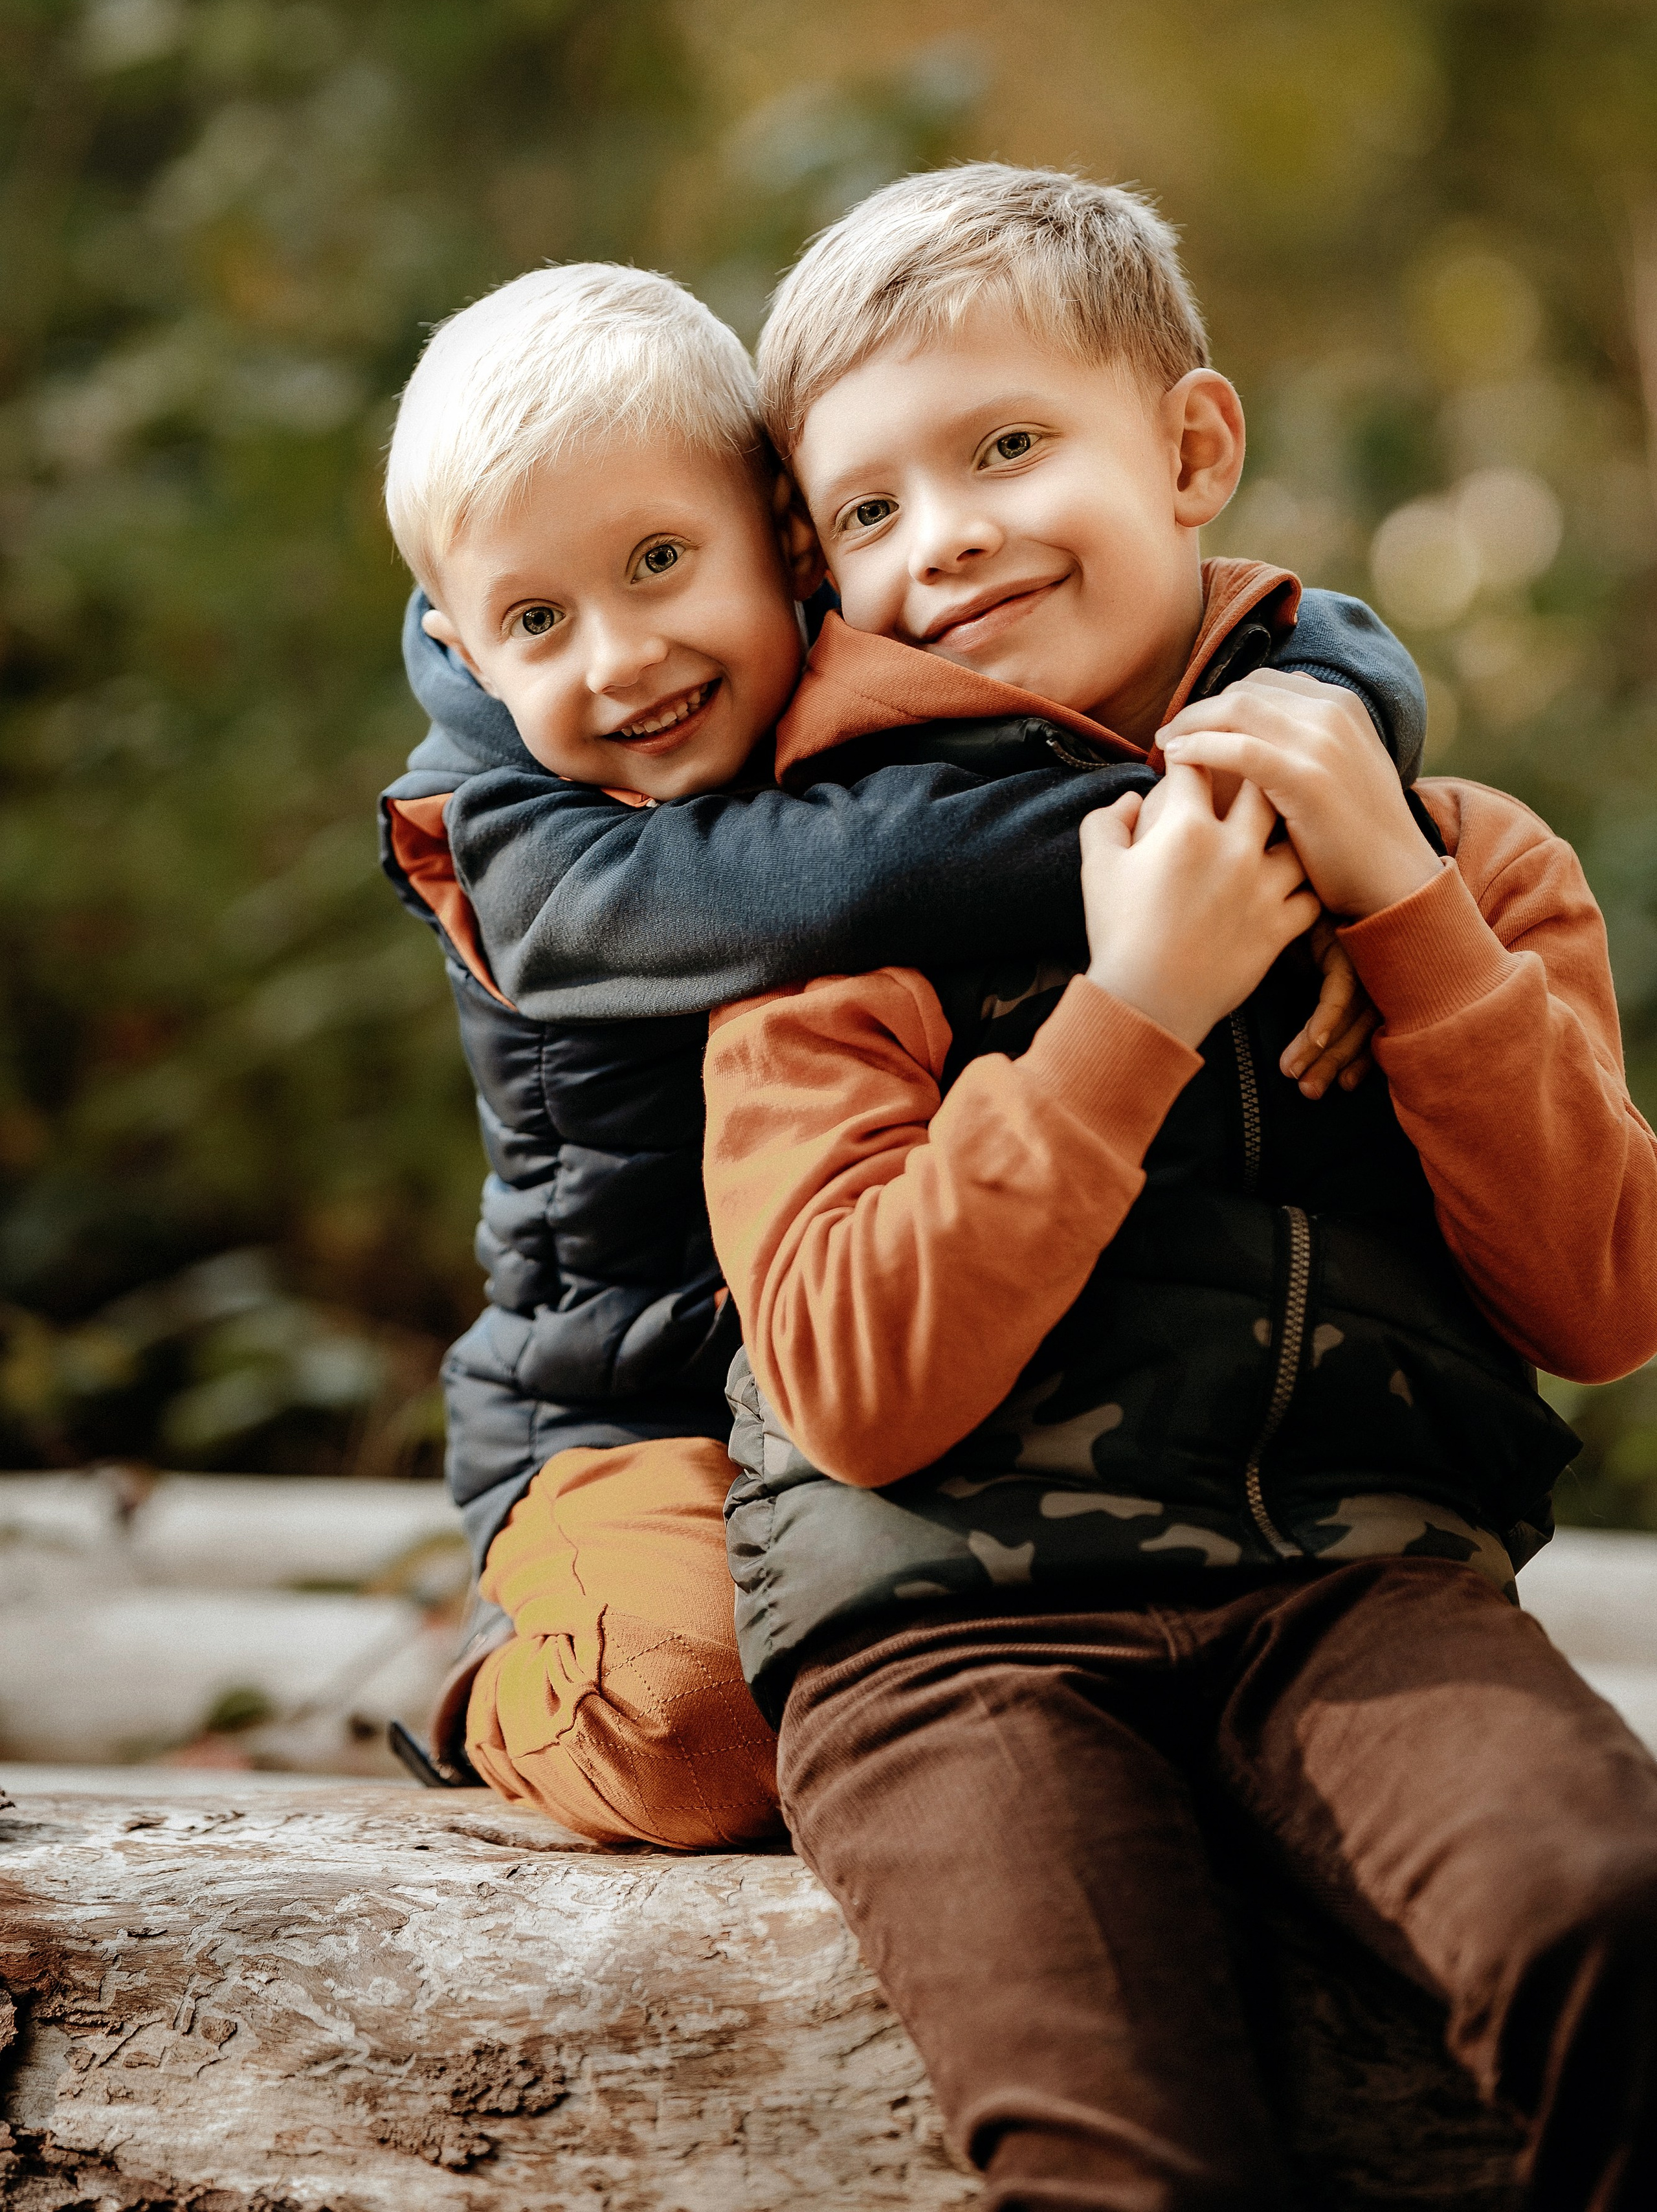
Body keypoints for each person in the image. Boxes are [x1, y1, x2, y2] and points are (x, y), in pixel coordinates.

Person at [700, 162, 1657, 2210]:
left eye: (1011, 446)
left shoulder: (1471, 866)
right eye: (866, 511)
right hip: (950, 1638)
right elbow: (861, 1385)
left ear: (1194, 447)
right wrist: (1134, 1009)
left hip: (1355, 1588)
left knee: (1609, 1914)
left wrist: (1399, 910)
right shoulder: (818, 918)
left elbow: (1602, 1298)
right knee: (1130, 2157)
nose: (945, 535)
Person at [378, 256, 1421, 1842]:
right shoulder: (520, 830)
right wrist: (1241, 820)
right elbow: (847, 877)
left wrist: (1337, 758)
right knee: (691, 1732)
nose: (619, 655)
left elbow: (1288, 627)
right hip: (639, 1413)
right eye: (534, 617)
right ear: (461, 635)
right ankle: (516, 1679)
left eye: (663, 559)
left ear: (784, 541)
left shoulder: (855, 673)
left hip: (893, 1373)